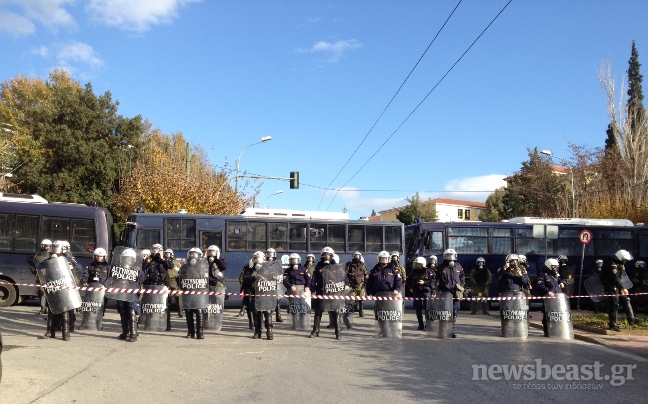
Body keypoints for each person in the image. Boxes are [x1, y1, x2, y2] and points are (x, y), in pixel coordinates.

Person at [310, 247, 349, 339]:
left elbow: (344, 277)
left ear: (331, 256)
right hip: (321, 291)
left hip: (333, 291)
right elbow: (313, 279)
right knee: (318, 311)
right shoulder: (318, 266)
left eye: (328, 255)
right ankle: (316, 331)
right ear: (322, 255)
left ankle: (338, 332)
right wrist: (313, 291)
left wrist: (346, 284)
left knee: (336, 311)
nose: (326, 256)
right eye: (324, 254)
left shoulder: (337, 266)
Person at [112, 248, 146, 342]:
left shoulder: (136, 269)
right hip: (121, 292)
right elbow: (113, 279)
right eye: (125, 258)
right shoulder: (118, 268)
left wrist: (139, 272)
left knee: (132, 310)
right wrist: (113, 286)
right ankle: (125, 332)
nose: (127, 260)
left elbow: (142, 279)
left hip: (131, 292)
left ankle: (133, 333)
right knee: (122, 311)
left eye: (129, 258)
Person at [602, 249, 639, 331]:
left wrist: (623, 287)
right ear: (621, 258)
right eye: (625, 260)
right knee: (614, 304)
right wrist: (622, 288)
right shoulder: (612, 264)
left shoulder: (619, 264)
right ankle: (613, 324)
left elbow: (620, 278)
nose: (625, 261)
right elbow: (614, 278)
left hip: (617, 286)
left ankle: (631, 319)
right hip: (611, 286)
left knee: (626, 299)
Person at [243, 251, 276, 340]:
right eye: (254, 258)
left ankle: (269, 331)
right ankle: (257, 332)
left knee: (268, 313)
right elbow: (246, 278)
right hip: (256, 293)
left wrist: (267, 279)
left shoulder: (268, 267)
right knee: (256, 312)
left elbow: (275, 277)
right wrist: (255, 277)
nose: (255, 260)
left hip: (266, 293)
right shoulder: (251, 269)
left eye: (257, 258)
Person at [179, 247, 208, 339]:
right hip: (188, 292)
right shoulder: (184, 267)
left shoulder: (203, 267)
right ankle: (190, 332)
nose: (193, 255)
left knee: (199, 310)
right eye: (191, 254)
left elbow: (206, 280)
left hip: (199, 293)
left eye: (195, 254)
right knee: (188, 311)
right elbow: (179, 279)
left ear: (199, 255)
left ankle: (200, 332)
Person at [435, 248, 464, 338]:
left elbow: (462, 276)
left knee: (454, 312)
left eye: (451, 256)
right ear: (444, 257)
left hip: (455, 292)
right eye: (448, 256)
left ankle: (451, 331)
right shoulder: (440, 267)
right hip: (444, 292)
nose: (450, 258)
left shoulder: (459, 266)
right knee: (444, 312)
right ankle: (442, 331)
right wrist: (435, 290)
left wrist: (461, 286)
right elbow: (435, 279)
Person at [535, 258, 565, 337]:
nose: (556, 268)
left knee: (558, 315)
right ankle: (547, 331)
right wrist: (548, 291)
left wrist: (562, 282)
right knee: (547, 315)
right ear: (549, 266)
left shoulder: (555, 274)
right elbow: (540, 285)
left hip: (558, 298)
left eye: (556, 267)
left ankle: (558, 330)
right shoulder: (543, 275)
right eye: (554, 267)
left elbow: (560, 280)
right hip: (549, 299)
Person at [407, 256, 435, 330]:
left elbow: (432, 282)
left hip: (426, 292)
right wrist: (410, 288)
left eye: (418, 264)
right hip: (417, 292)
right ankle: (421, 325)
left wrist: (424, 282)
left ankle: (428, 324)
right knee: (418, 308)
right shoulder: (413, 271)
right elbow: (409, 281)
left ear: (423, 264)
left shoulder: (429, 271)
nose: (417, 265)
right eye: (416, 264)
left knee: (427, 309)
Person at [80, 247, 110, 316]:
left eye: (101, 256)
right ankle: (85, 322)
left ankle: (98, 323)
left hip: (102, 290)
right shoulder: (90, 266)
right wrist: (84, 282)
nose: (99, 258)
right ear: (94, 256)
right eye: (97, 256)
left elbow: (110, 277)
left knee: (102, 306)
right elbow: (85, 274)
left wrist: (105, 285)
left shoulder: (108, 267)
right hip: (91, 289)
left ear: (104, 257)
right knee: (88, 306)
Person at [28, 239, 52, 315]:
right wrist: (36, 273)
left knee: (51, 293)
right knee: (42, 293)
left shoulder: (53, 255)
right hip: (41, 277)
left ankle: (50, 309)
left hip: (52, 277)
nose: (47, 247)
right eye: (46, 246)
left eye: (48, 246)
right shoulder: (38, 255)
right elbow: (33, 268)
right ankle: (43, 309)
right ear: (42, 246)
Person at [239, 254, 258, 329]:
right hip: (248, 288)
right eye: (255, 258)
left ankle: (260, 323)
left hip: (259, 289)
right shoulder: (248, 266)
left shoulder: (263, 266)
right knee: (249, 305)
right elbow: (244, 278)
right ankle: (251, 322)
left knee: (259, 307)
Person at [345, 251, 368, 317]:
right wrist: (351, 275)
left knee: (361, 299)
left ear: (360, 257)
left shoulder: (362, 265)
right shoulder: (349, 265)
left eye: (358, 256)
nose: (356, 257)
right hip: (352, 285)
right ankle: (350, 311)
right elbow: (345, 273)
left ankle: (361, 311)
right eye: (355, 256)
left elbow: (366, 274)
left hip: (361, 285)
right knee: (351, 299)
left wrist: (365, 282)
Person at [265, 248, 283, 323]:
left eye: (271, 254)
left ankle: (278, 316)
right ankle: (268, 317)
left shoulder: (278, 264)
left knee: (277, 300)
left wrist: (276, 278)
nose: (270, 256)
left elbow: (281, 274)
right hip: (266, 285)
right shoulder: (264, 263)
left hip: (276, 284)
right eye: (268, 254)